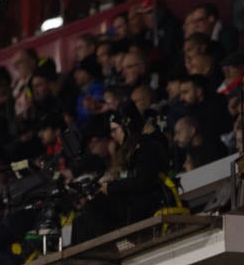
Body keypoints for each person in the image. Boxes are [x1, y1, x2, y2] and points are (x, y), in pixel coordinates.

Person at [72, 102, 173, 242]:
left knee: (94, 206)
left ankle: (115, 246)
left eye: (115, 130)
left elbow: (144, 181)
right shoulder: (129, 152)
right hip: (132, 202)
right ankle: (82, 261)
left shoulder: (148, 146)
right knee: (79, 222)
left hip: (147, 202)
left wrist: (111, 187)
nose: (112, 135)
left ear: (127, 127)